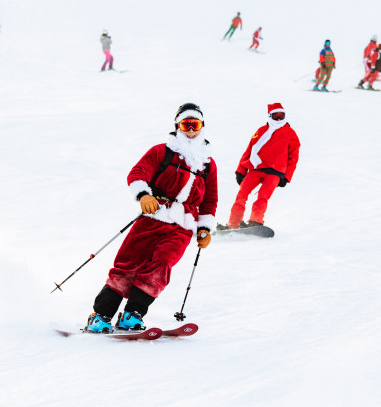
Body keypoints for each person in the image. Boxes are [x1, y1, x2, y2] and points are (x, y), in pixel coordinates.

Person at [87, 103, 218, 333]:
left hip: (182, 226)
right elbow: (138, 173)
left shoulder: (207, 165)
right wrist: (144, 195)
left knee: (162, 265)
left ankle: (132, 314)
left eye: (195, 124)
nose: (190, 130)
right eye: (185, 124)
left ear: (202, 126)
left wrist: (204, 228)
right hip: (153, 217)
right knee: (129, 264)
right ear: (177, 126)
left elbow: (210, 199)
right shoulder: (162, 152)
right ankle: (100, 315)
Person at [218, 103, 300, 229]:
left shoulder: (290, 133)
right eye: (276, 116)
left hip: (275, 171)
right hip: (256, 168)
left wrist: (286, 177)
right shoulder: (261, 131)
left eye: (281, 116)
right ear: (270, 116)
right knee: (242, 194)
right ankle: (234, 223)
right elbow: (249, 150)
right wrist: (240, 171)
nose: (279, 119)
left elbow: (293, 158)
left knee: (262, 196)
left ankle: (255, 221)